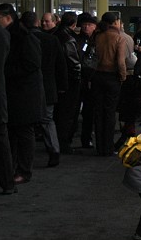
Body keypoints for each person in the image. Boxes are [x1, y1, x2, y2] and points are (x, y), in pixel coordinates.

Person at [0, 4, 43, 185]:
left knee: (23, 134)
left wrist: (5, 71)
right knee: (13, 134)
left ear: (8, 18)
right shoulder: (13, 36)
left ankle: (23, 170)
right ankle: (10, 169)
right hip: (16, 93)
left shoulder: (23, 37)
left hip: (23, 94)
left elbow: (31, 64)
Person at [22, 11, 67, 167]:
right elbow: (61, 65)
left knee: (23, 124)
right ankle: (54, 151)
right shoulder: (52, 40)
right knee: (47, 120)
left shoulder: (20, 40)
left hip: (23, 89)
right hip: (48, 87)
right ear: (37, 23)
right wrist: (62, 86)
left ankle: (21, 158)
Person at [90, 12, 129, 156]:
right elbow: (120, 62)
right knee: (110, 112)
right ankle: (108, 147)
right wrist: (123, 76)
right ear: (116, 22)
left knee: (98, 111)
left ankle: (99, 146)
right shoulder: (119, 37)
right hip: (112, 77)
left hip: (97, 76)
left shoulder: (97, 35)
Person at [53, 12, 83, 154]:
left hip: (56, 79)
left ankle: (55, 141)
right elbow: (74, 63)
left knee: (57, 112)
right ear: (74, 24)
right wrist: (79, 77)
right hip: (70, 81)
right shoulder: (69, 39)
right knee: (68, 112)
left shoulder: (54, 35)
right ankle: (64, 142)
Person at [0, 7, 15, 194]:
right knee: (1, 140)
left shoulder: (0, 35)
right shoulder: (2, 35)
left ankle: (7, 181)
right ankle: (7, 182)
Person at [75, 12, 99, 149]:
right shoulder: (79, 40)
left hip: (92, 79)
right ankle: (85, 137)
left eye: (89, 25)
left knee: (90, 111)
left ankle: (87, 136)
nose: (86, 27)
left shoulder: (97, 41)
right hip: (82, 78)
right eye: (84, 25)